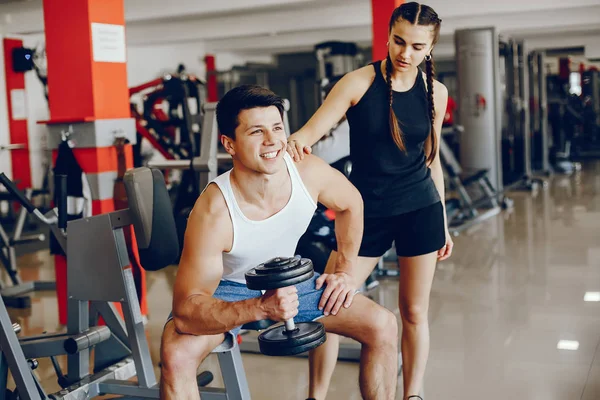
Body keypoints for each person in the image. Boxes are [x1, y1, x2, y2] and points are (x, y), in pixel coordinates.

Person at [159, 85, 399, 400]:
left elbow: (351, 203)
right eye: (257, 132)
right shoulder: (214, 212)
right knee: (176, 354)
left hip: (288, 280)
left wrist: (343, 270)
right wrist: (258, 307)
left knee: (382, 325)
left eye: (277, 128)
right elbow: (187, 310)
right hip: (226, 288)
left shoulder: (306, 172)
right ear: (229, 145)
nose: (272, 141)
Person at [286, 3, 453, 399]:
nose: (405, 53)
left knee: (414, 312)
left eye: (416, 47)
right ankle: (316, 394)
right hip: (364, 212)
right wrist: (289, 145)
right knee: (326, 303)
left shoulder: (436, 92)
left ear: (429, 49)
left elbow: (433, 162)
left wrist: (443, 219)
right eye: (398, 41)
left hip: (420, 208)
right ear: (388, 36)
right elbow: (308, 135)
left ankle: (413, 393)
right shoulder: (357, 82)